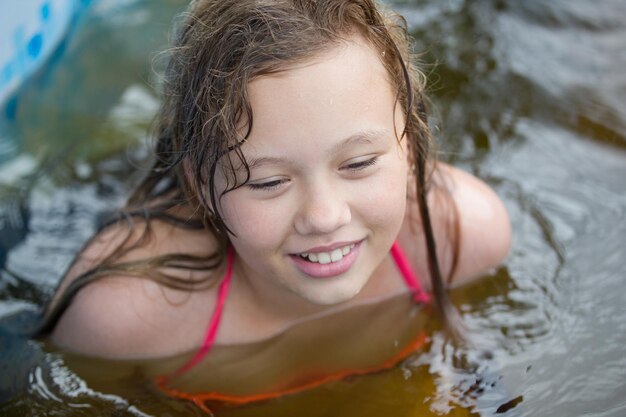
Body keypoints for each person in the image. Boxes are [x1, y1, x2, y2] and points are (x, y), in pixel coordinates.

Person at [36, 0, 511, 407]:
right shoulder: (126, 320)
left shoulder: (459, 240)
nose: (325, 216)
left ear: (409, 147)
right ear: (201, 186)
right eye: (268, 182)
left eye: (359, 163)